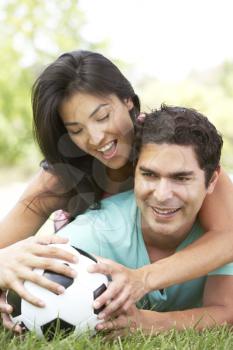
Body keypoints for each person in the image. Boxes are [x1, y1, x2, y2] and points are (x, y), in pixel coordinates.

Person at [0, 50, 232, 319]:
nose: (96, 137)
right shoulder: (62, 176)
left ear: (128, 101)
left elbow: (228, 236)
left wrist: (143, 279)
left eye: (102, 117)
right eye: (76, 130)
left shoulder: (169, 146)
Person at [54, 105, 233, 333]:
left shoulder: (222, 231)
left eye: (181, 178)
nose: (162, 194)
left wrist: (150, 323)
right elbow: (31, 268)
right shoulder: (95, 231)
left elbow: (225, 311)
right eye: (149, 175)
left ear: (212, 180)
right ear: (134, 172)